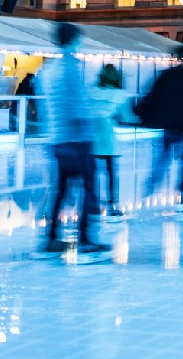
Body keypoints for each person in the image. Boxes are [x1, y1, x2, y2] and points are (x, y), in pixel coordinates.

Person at [34, 23, 111, 260]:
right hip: (77, 139)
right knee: (88, 188)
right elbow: (79, 104)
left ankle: (50, 238)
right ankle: (86, 239)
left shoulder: (47, 70)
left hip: (57, 139)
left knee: (60, 189)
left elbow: (44, 104)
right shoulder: (72, 68)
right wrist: (89, 127)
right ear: (74, 39)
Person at [139, 45, 183, 209]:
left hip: (169, 125)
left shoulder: (166, 76)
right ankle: (182, 193)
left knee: (164, 156)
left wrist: (142, 111)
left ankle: (153, 181)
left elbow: (153, 95)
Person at [90, 63, 126, 220]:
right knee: (111, 172)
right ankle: (112, 206)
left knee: (93, 172)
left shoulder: (92, 92)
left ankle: (93, 206)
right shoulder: (118, 95)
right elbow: (125, 116)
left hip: (93, 136)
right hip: (108, 136)